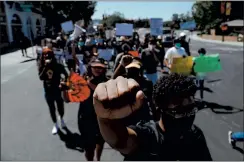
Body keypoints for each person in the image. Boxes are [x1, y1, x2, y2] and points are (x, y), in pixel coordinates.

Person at [93, 74, 213, 161]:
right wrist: (106, 119)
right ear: (160, 109)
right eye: (179, 111)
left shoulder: (195, 135)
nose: (188, 116)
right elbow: (121, 141)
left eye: (191, 109)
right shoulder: (148, 136)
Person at [78, 58, 108, 161]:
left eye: (100, 67)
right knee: (88, 149)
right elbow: (68, 98)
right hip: (85, 119)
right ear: (90, 68)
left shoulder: (107, 81)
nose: (98, 69)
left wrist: (88, 83)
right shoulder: (81, 80)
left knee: (100, 142)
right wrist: (64, 90)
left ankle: (98, 159)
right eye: (95, 67)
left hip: (101, 118)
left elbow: (102, 93)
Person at [113, 56, 157, 121]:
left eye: (135, 68)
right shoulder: (124, 79)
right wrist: (121, 64)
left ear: (140, 70)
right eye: (131, 68)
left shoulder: (147, 82)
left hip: (142, 115)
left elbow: (151, 101)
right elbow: (113, 80)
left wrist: (155, 116)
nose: (133, 70)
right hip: (127, 113)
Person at [38, 48, 68, 135]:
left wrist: (63, 82)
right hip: (48, 91)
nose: (47, 57)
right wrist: (45, 67)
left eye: (49, 55)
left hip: (58, 90)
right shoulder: (42, 66)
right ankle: (55, 124)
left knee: (60, 108)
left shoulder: (58, 65)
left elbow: (65, 75)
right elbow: (41, 77)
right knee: (52, 109)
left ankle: (61, 120)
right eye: (45, 55)